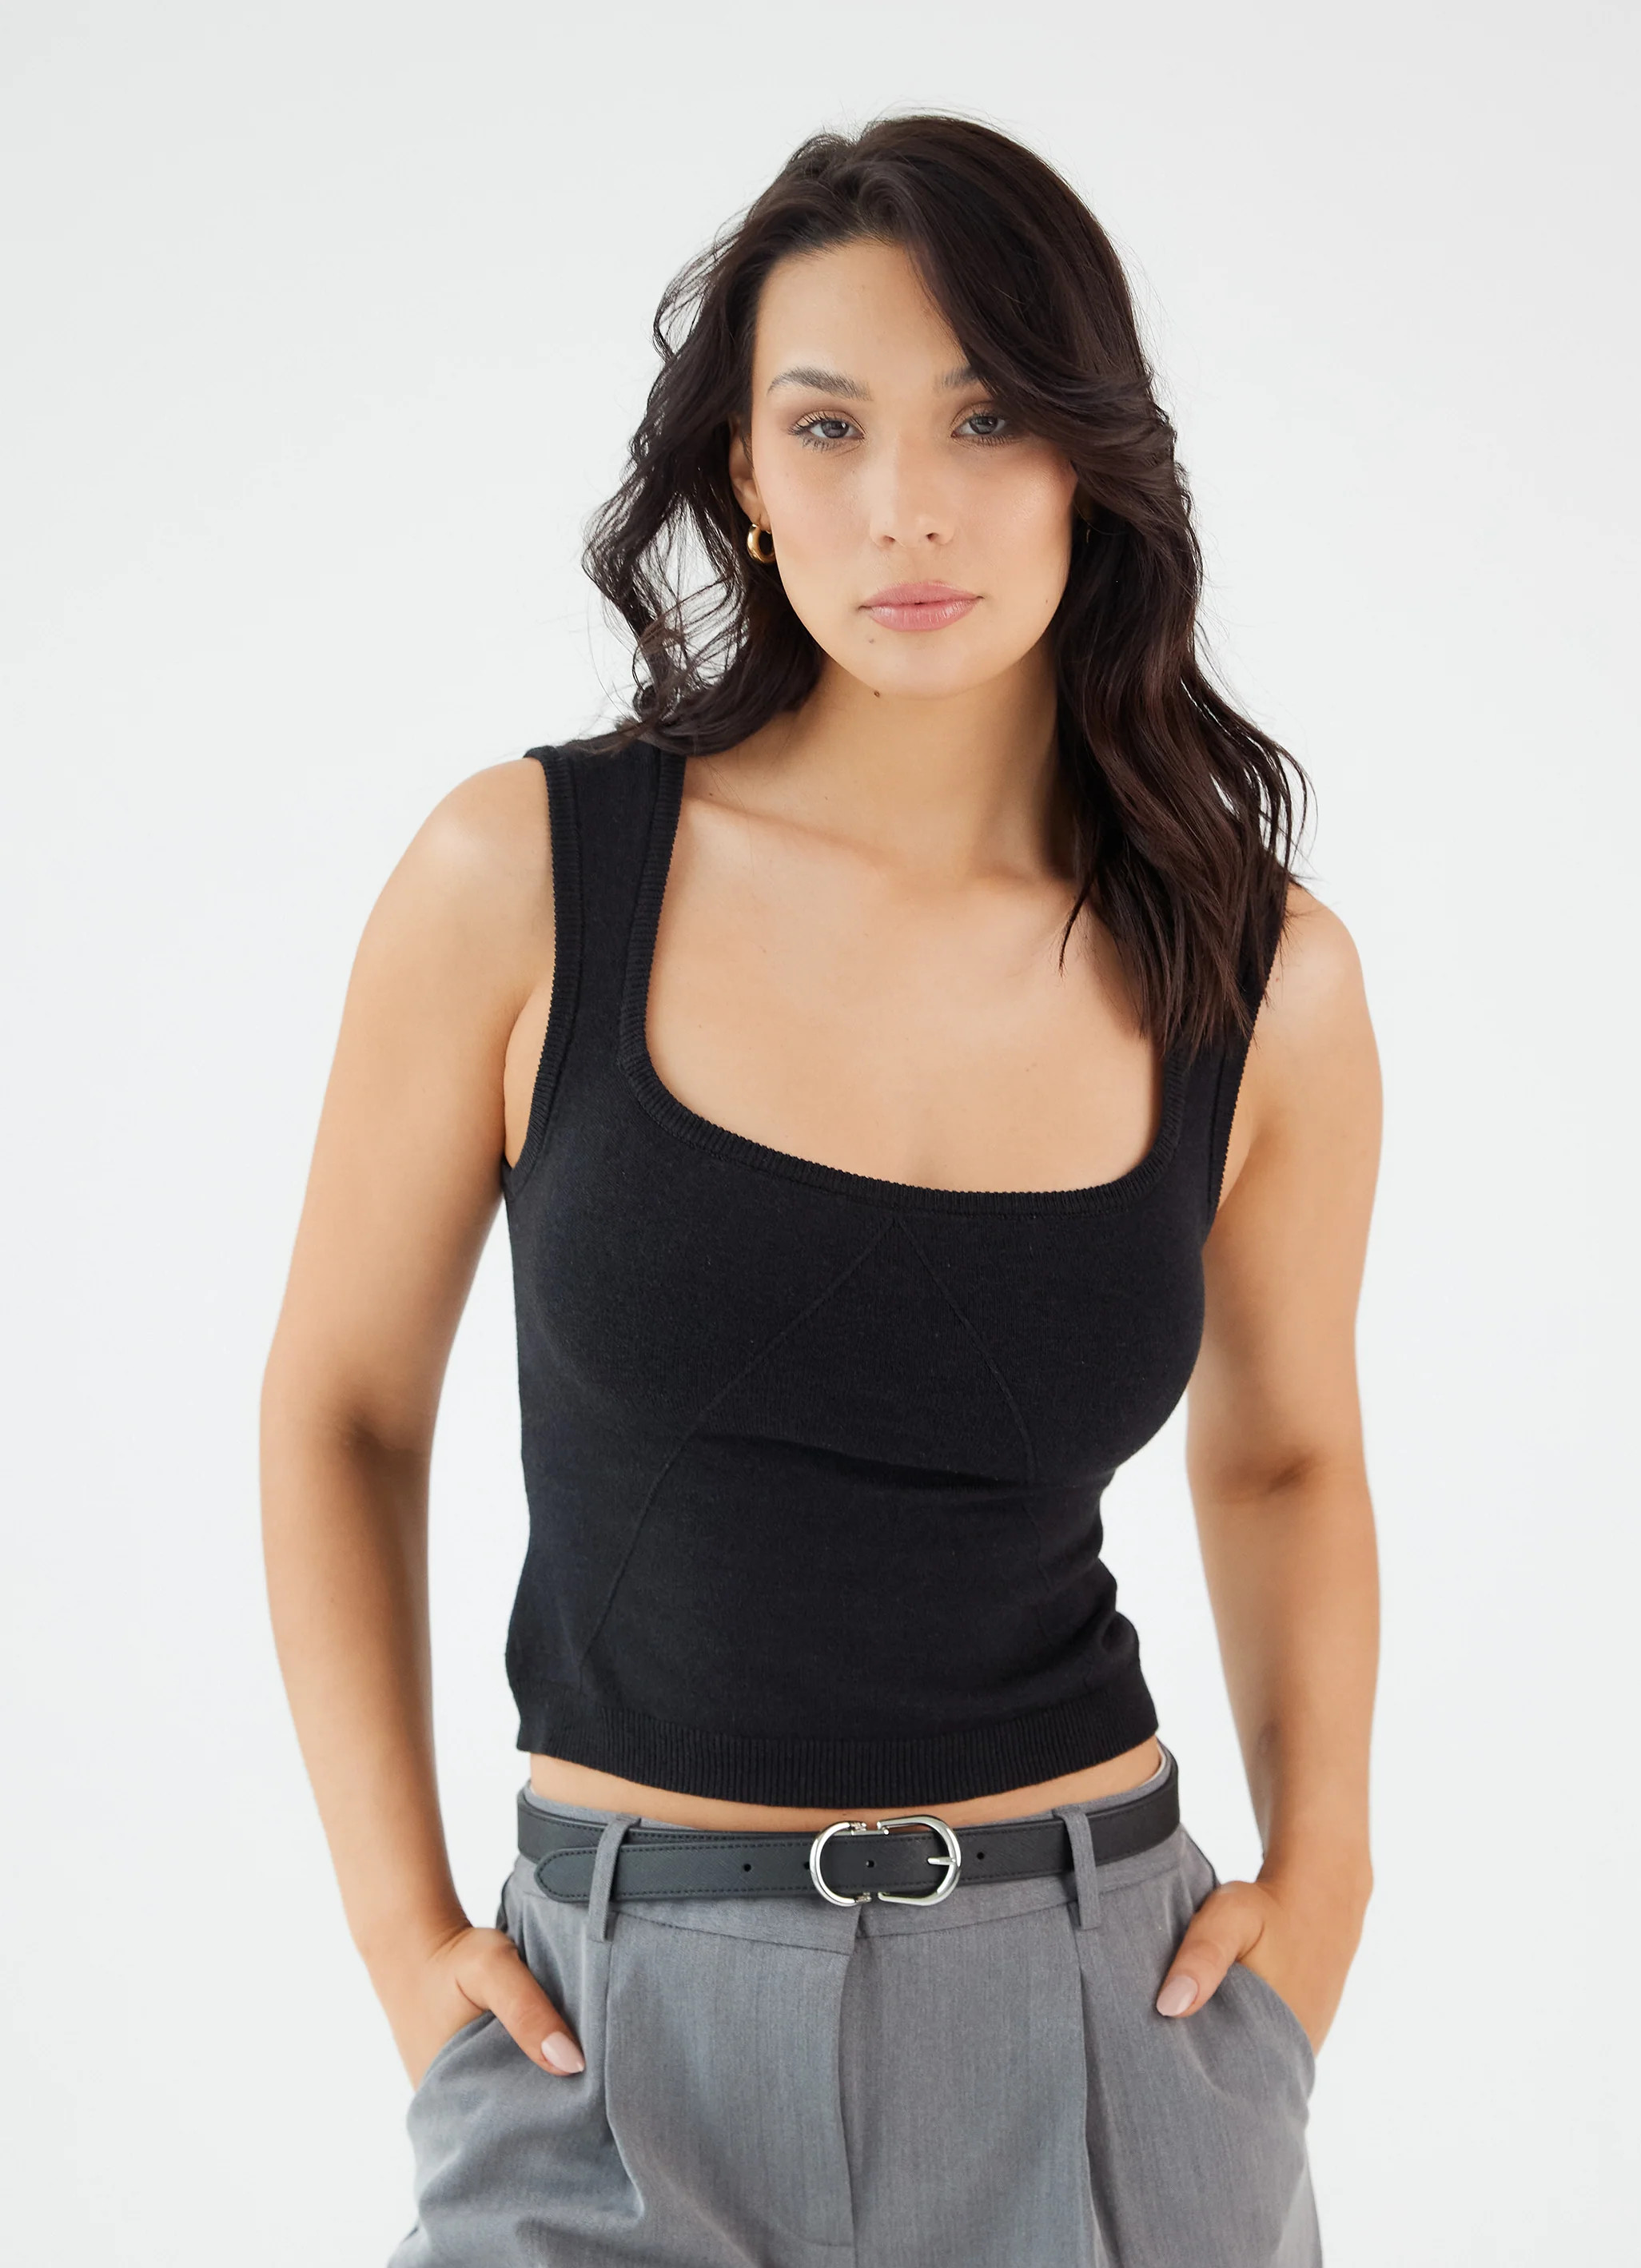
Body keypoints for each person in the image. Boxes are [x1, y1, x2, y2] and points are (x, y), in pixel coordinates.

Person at [260, 113, 1380, 2268]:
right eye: (829, 426)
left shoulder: (1258, 976)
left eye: (986, 417)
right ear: (747, 482)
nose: (908, 507)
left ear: (1091, 462)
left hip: (1105, 2025)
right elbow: (343, 1408)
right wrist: (407, 1944)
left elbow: (1286, 1454)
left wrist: (1322, 1884)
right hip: (605, 2042)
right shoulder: (522, 881)